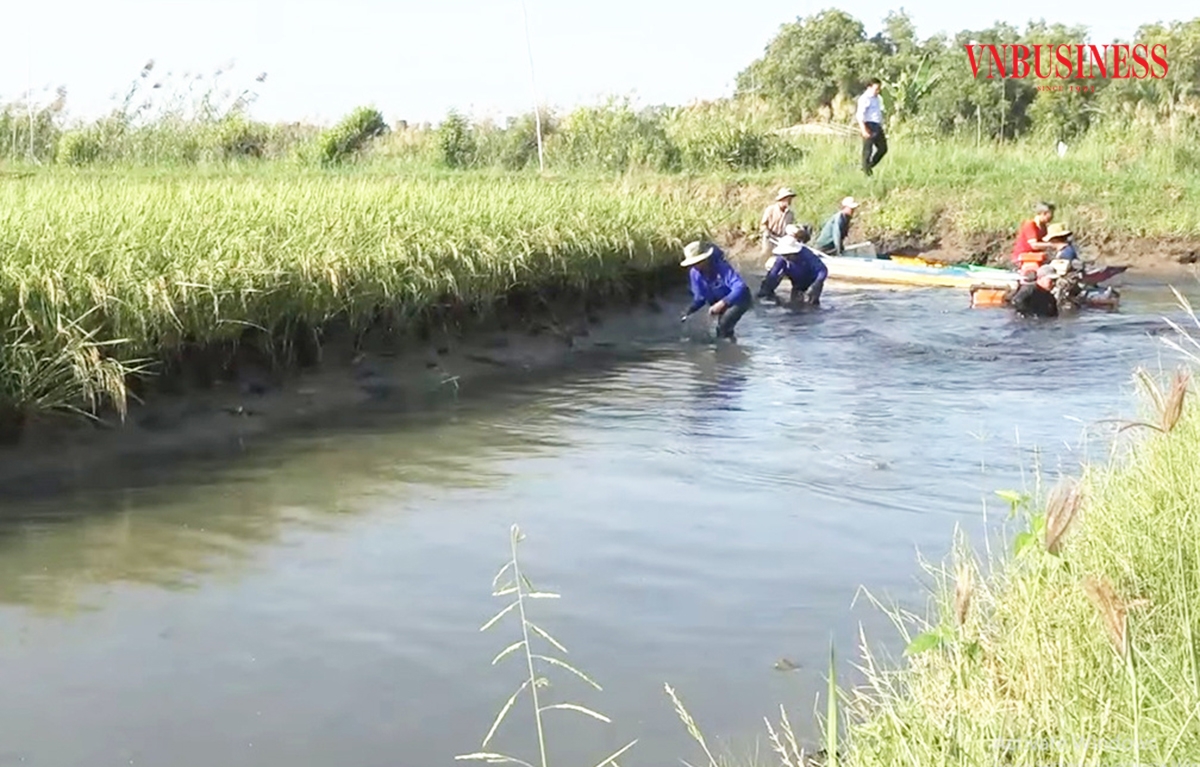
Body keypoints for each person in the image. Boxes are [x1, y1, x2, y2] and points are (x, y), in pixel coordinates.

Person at [679, 240, 752, 340]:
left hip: (740, 299)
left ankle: (727, 347)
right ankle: (731, 345)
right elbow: (700, 298)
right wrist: (690, 310)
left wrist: (723, 303)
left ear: (706, 259)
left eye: (698, 262)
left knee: (723, 326)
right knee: (723, 331)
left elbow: (740, 287)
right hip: (719, 302)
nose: (696, 266)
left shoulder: (721, 267)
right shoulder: (694, 274)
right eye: (693, 263)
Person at [758, 224, 828, 306]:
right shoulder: (782, 259)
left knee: (811, 306)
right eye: (784, 254)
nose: (786, 257)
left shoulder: (807, 255)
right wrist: (765, 289)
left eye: (788, 254)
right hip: (797, 285)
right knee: (794, 306)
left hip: (813, 283)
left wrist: (817, 283)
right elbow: (773, 273)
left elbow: (823, 270)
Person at [1011, 202, 1058, 275]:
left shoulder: (1043, 227)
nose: (1052, 217)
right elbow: (1034, 245)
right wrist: (1052, 245)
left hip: (1035, 257)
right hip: (1023, 258)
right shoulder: (1030, 225)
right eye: (1051, 214)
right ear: (1043, 213)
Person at [857, 78, 887, 176]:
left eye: (879, 89)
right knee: (867, 151)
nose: (878, 91)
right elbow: (860, 115)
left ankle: (868, 166)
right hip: (868, 125)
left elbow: (878, 113)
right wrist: (863, 129)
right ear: (869, 87)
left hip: (877, 125)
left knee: (883, 148)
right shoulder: (864, 99)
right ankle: (867, 173)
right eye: (876, 89)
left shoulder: (878, 98)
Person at [760, 187, 796, 254]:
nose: (790, 201)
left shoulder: (790, 214)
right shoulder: (770, 210)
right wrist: (767, 232)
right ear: (782, 199)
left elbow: (789, 227)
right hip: (770, 238)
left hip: (781, 240)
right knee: (766, 254)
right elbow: (763, 225)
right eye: (788, 199)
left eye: (790, 199)